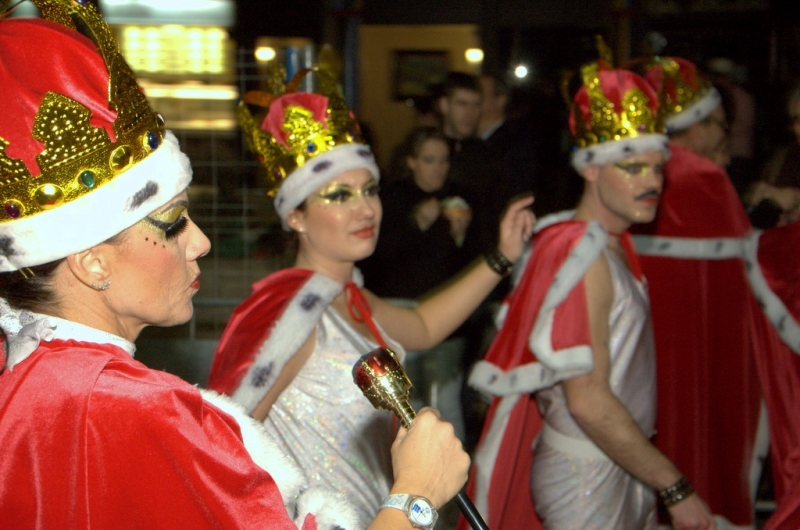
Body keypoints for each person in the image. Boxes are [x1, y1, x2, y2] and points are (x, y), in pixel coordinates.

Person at [0, 3, 471, 529]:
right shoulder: (137, 412)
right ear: (92, 263)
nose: (199, 242)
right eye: (173, 222)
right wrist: (417, 496)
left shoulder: (29, 378)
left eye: (370, 190)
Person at [207, 68, 535, 526]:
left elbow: (421, 326)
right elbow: (221, 444)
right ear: (296, 215)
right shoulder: (290, 309)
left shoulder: (347, 295)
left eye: (369, 189)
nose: (365, 209)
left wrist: (501, 256)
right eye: (339, 195)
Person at [464, 59, 716, 529]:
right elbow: (588, 400)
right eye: (633, 166)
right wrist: (675, 487)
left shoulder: (605, 245)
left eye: (658, 167)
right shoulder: (581, 253)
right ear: (592, 170)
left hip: (614, 465)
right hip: (586, 477)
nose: (653, 182)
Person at [630, 56, 770, 529]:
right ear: (693, 126)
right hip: (703, 359)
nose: (725, 134)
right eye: (718, 124)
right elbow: (754, 275)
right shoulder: (701, 178)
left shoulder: (644, 171)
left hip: (643, 363)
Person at [359, 126, 475, 440]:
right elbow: (378, 259)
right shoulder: (392, 198)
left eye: (443, 160)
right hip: (397, 310)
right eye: (429, 159)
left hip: (445, 314)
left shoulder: (459, 198)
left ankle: (453, 480)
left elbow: (468, 266)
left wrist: (460, 235)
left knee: (446, 403)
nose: (438, 167)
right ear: (411, 162)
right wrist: (417, 224)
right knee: (406, 403)